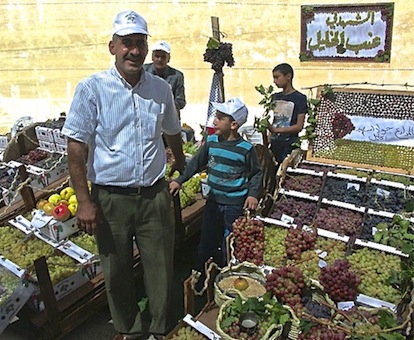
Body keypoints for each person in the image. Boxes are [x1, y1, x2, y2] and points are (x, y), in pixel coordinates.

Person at [61, 10, 185, 340]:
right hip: (110, 199)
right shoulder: (92, 89)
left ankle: (160, 327)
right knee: (116, 272)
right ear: (112, 47)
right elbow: (76, 147)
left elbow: (173, 130)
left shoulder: (160, 89)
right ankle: (129, 329)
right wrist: (84, 201)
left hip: (154, 195)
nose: (134, 51)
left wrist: (182, 161)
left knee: (159, 267)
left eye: (140, 43)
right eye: (126, 43)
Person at [169, 98, 263, 274]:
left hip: (235, 204)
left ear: (234, 124)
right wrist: (180, 180)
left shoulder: (245, 149)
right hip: (212, 200)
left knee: (231, 239)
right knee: (207, 236)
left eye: (220, 118)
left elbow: (256, 173)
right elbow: (195, 163)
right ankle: (201, 272)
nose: (214, 121)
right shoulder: (211, 141)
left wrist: (253, 194)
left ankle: (228, 272)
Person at [267, 63, 308, 165]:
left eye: (277, 77)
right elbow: (275, 119)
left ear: (288, 76)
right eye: (273, 78)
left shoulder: (299, 98)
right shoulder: (275, 97)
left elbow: (299, 126)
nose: (274, 81)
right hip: (275, 144)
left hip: (290, 145)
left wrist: (276, 130)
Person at [143, 41, 186, 119]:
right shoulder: (143, 71)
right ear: (152, 57)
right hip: (147, 116)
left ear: (168, 59)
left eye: (163, 57)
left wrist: (165, 105)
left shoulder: (177, 76)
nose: (159, 60)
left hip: (169, 118)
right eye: (157, 56)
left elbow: (181, 101)